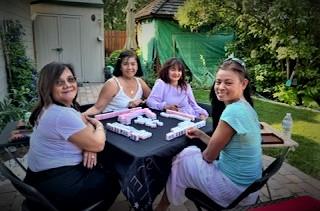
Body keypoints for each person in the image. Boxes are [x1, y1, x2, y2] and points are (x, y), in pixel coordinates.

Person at [155, 58, 262, 210]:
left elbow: (208, 156)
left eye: (228, 83)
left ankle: (164, 204)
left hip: (234, 191)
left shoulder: (232, 112)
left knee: (181, 158)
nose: (221, 87)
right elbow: (225, 145)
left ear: (243, 84)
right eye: (218, 82)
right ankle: (172, 197)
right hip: (249, 187)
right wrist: (200, 134)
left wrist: (198, 158)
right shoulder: (246, 107)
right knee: (188, 155)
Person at [24, 62, 120, 211]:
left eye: (70, 79)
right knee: (115, 178)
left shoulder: (49, 107)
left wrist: (89, 146)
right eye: (59, 82)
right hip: (57, 185)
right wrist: (99, 128)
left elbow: (83, 121)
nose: (67, 85)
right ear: (47, 87)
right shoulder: (62, 114)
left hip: (38, 179)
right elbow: (98, 144)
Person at [84, 50, 151, 115]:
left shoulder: (140, 82)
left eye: (133, 64)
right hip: (110, 123)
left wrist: (142, 101)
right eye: (125, 64)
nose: (130, 67)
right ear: (120, 67)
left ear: (137, 66)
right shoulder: (112, 84)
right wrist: (81, 117)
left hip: (132, 122)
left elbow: (153, 99)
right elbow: (97, 108)